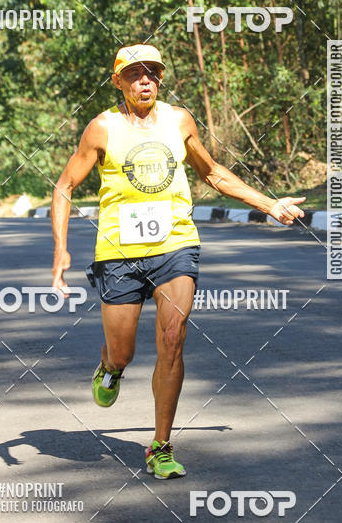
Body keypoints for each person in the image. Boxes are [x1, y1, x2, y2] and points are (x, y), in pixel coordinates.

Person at [51, 45, 305, 479]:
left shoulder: (179, 120)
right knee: (123, 351)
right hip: (119, 253)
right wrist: (61, 250)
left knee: (172, 337)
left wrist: (268, 204)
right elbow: (63, 186)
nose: (144, 80)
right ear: (119, 82)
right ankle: (110, 367)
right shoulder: (102, 128)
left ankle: (161, 444)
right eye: (134, 74)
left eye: (152, 73)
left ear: (161, 78)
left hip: (176, 245)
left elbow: (213, 173)